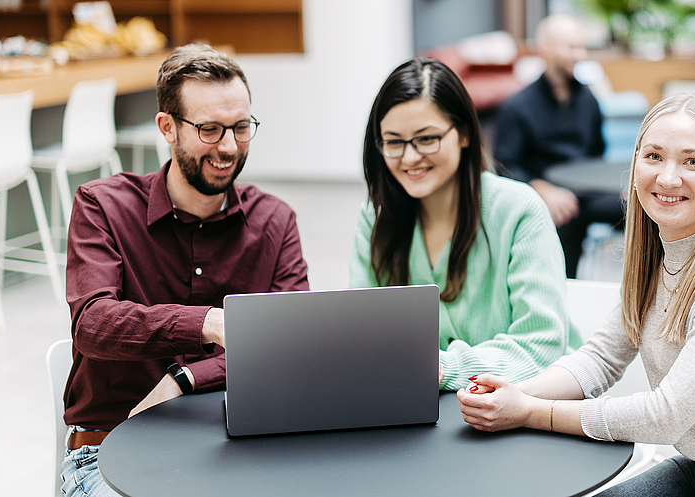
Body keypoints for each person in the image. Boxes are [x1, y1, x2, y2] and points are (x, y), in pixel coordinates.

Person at [457, 94, 695, 497]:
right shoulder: (654, 255)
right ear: (635, 165)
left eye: (692, 162)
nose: (667, 178)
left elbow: (666, 415)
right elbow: (601, 358)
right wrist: (515, 393)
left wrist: (531, 413)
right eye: (654, 157)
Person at [61, 44, 309, 497]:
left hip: (237, 446)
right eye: (210, 130)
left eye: (241, 128)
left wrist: (187, 378)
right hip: (108, 450)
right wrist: (207, 323)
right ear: (167, 128)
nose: (228, 147)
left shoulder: (275, 221)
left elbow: (288, 345)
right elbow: (92, 325)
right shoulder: (102, 206)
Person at [350, 57, 575, 392]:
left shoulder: (518, 210)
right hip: (421, 406)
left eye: (427, 138)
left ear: (465, 134)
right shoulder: (377, 216)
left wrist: (445, 368)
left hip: (524, 404)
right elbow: (362, 334)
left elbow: (541, 343)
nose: (409, 157)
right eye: (394, 142)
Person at [493, 14, 623, 278]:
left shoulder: (588, 99)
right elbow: (505, 166)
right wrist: (541, 189)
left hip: (587, 192)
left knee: (641, 210)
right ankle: (563, 289)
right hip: (547, 194)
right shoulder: (517, 107)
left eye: (581, 47)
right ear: (546, 48)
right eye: (571, 47)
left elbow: (597, 153)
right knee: (562, 216)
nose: (580, 55)